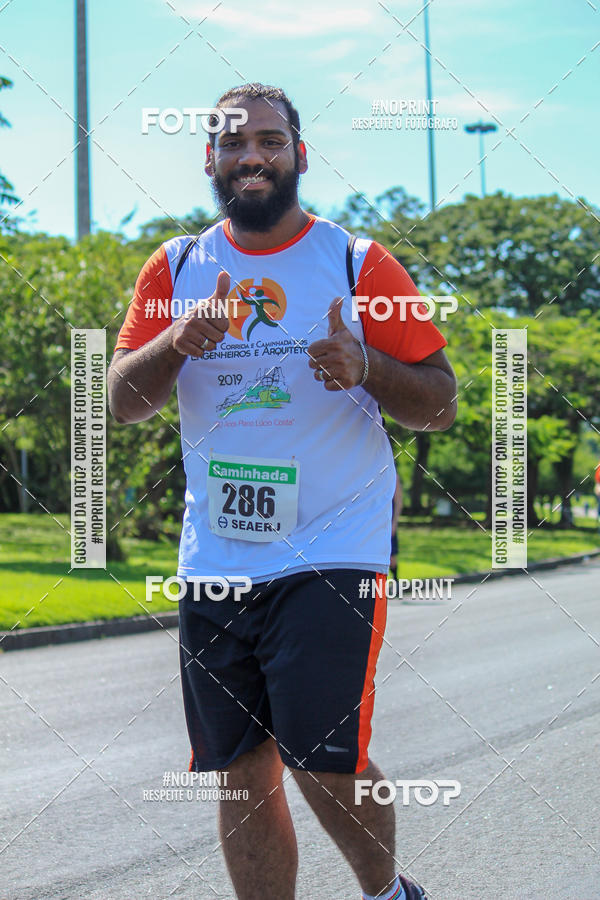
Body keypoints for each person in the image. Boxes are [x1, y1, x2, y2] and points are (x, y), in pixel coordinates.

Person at [108, 82, 457, 900]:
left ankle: (386, 893)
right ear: (210, 161)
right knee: (237, 765)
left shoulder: (355, 262)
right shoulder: (178, 266)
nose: (252, 155)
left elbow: (440, 401)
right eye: (234, 143)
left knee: (318, 747)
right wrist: (174, 341)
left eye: (269, 140)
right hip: (218, 554)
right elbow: (122, 400)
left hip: (334, 542)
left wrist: (366, 366)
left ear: (299, 153)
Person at [390, 473, 403, 576]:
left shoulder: (393, 475)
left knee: (391, 558)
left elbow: (399, 502)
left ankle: (395, 579)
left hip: (389, 522)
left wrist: (394, 523)